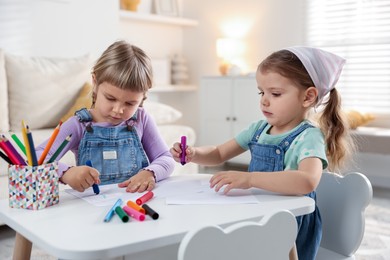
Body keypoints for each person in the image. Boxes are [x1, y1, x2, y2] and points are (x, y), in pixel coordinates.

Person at [171, 46, 355, 260]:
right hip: (259, 211)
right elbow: (219, 153)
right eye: (261, 92)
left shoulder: (309, 137)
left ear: (308, 97)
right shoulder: (258, 129)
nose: (264, 100)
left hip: (291, 221)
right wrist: (194, 153)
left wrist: (250, 179)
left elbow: (307, 181)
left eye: (275, 94)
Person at [14, 40, 176, 259]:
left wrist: (150, 172)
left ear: (143, 98)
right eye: (110, 98)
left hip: (136, 215)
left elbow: (165, 158)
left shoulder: (142, 119)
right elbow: (32, 159)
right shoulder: (77, 125)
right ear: (95, 82)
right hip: (89, 221)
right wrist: (66, 172)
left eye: (130, 103)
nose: (118, 110)